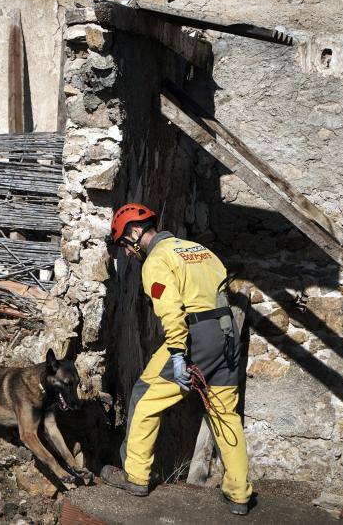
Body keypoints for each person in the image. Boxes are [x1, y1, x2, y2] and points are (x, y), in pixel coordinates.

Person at [99, 203, 253, 515]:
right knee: (225, 414)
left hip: (194, 337)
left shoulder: (157, 260)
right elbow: (222, 290)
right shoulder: (198, 250)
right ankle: (239, 493)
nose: (126, 254)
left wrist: (179, 355)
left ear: (134, 232)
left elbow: (171, 312)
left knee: (144, 397)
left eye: (124, 247)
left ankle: (136, 476)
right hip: (226, 335)